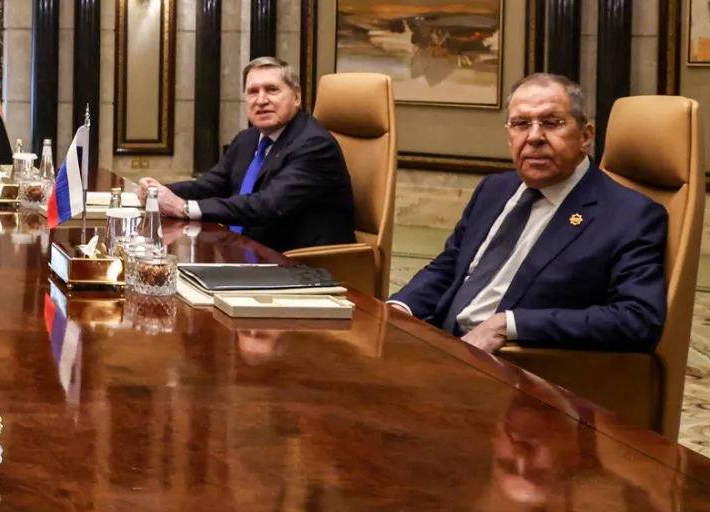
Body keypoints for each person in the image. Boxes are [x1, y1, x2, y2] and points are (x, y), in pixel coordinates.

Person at [389, 73, 666, 354]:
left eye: (551, 122)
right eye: (521, 124)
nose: (534, 137)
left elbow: (638, 319)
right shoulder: (494, 189)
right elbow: (450, 267)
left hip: (517, 368)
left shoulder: (630, 214)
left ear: (585, 136)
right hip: (441, 344)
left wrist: (508, 325)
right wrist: (399, 308)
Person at [137, 56, 356, 252]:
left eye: (271, 90)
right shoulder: (248, 139)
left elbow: (267, 204)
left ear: (297, 97)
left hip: (298, 264)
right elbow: (210, 185)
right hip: (247, 251)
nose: (261, 100)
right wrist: (159, 192)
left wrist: (184, 208)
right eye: (253, 92)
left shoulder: (314, 144)